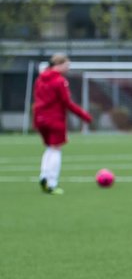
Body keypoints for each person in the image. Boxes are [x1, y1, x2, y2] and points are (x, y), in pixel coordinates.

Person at [33, 53, 93, 195]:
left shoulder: (40, 79)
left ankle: (44, 176)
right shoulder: (60, 81)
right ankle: (52, 183)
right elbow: (67, 103)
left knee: (49, 148)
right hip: (55, 119)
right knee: (56, 149)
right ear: (58, 65)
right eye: (67, 66)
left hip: (40, 118)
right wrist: (84, 116)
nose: (68, 69)